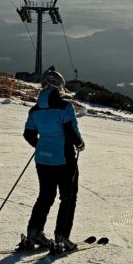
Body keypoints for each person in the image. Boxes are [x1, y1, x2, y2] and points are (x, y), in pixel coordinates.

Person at [19, 67, 85, 253]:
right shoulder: (65, 107)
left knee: (46, 195)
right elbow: (72, 132)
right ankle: (62, 238)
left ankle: (35, 232)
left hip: (42, 160)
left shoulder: (35, 109)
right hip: (64, 159)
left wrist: (41, 145)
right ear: (60, 87)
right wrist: (80, 145)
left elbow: (28, 133)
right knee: (67, 197)